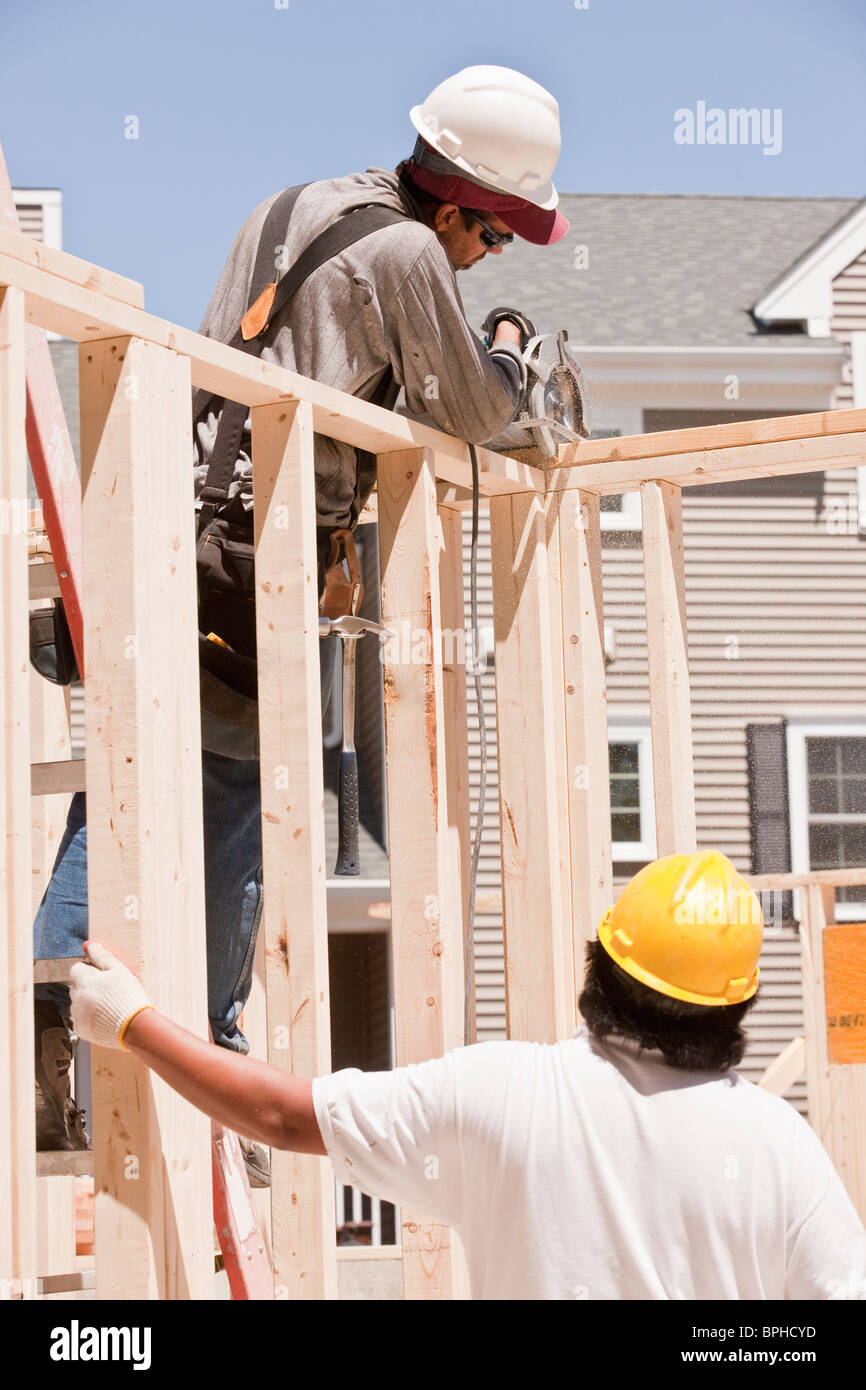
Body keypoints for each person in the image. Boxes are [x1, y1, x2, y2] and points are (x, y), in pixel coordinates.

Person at [31, 64, 571, 1164]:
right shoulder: (410, 250)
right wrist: (509, 357)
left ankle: (55, 990)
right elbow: (465, 409)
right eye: (497, 236)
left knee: (130, 787)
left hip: (174, 531)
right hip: (247, 560)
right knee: (237, 814)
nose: (488, 257)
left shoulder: (292, 204)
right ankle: (210, 1039)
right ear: (461, 205)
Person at [70, 851, 866, 1300]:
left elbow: (281, 1116)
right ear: (734, 1010)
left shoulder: (509, 1096)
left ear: (603, 970)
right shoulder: (780, 1150)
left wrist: (133, 1022)